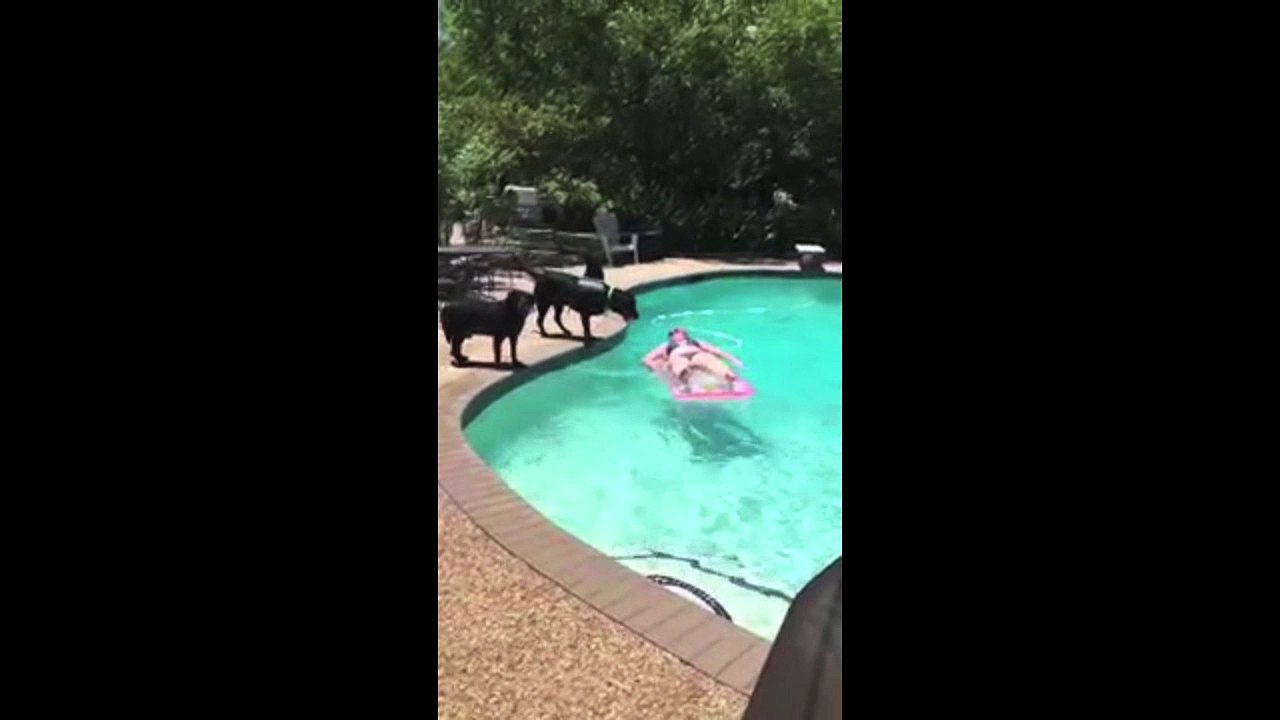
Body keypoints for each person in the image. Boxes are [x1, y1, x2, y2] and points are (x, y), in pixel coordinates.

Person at [643, 327, 744, 389]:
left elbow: (717, 351)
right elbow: (647, 359)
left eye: (680, 331)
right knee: (679, 364)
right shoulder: (666, 345)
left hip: (697, 354)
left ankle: (727, 375)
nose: (678, 333)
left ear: (685, 334)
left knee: (709, 359)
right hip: (677, 356)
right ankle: (684, 377)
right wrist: (659, 369)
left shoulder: (696, 342)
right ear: (672, 336)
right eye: (675, 332)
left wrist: (735, 361)